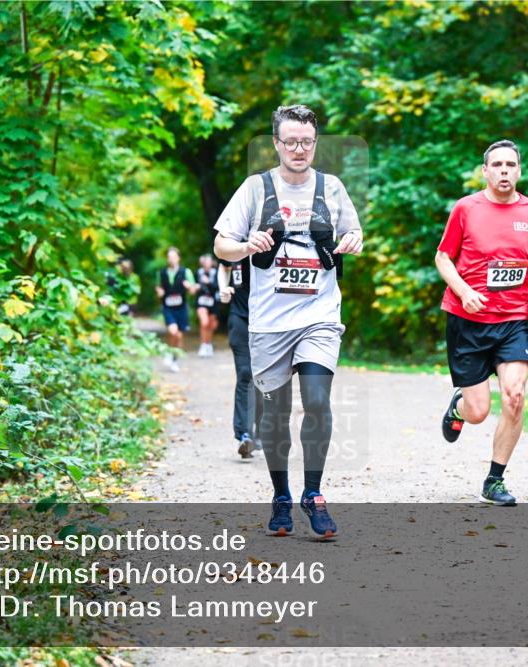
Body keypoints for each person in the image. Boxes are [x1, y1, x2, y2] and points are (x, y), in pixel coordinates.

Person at [214, 104, 363, 538]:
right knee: (276, 416)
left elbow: (353, 235)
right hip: (269, 322)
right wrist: (245, 246)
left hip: (318, 315)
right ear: (276, 143)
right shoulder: (255, 189)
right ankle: (281, 496)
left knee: (317, 400)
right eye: (291, 141)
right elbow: (222, 244)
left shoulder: (332, 188)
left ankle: (312, 494)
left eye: (307, 141)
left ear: (315, 143)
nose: (299, 149)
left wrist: (352, 241)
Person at [434, 139, 528, 506]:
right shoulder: (466, 209)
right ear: (485, 171)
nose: (504, 171)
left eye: (510, 165)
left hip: (513, 320)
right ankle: (459, 408)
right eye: (496, 165)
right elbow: (442, 258)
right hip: (467, 321)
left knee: (515, 396)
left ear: (519, 170)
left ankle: (494, 480)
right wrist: (464, 290)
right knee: (479, 412)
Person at [218, 258, 264, 459]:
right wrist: (223, 287)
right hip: (240, 318)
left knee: (264, 377)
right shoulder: (235, 242)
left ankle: (262, 432)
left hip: (267, 322)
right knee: (245, 373)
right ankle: (245, 434)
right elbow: (223, 265)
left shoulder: (271, 240)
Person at [155, 247, 198, 372]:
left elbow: (193, 290)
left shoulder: (186, 272)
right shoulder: (161, 273)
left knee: (179, 335)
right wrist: (159, 291)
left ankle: (174, 359)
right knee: (173, 331)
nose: (171, 259)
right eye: (169, 257)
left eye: (174, 256)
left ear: (178, 258)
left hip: (181, 308)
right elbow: (158, 287)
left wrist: (190, 287)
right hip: (168, 307)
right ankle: (170, 353)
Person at [195, 254, 220, 357]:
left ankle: (208, 344)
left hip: (213, 302)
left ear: (212, 263)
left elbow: (217, 287)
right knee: (204, 322)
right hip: (201, 301)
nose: (206, 264)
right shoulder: (199, 272)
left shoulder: (216, 273)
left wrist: (208, 282)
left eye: (208, 262)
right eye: (205, 262)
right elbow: (195, 284)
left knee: (211, 325)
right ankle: (203, 345)